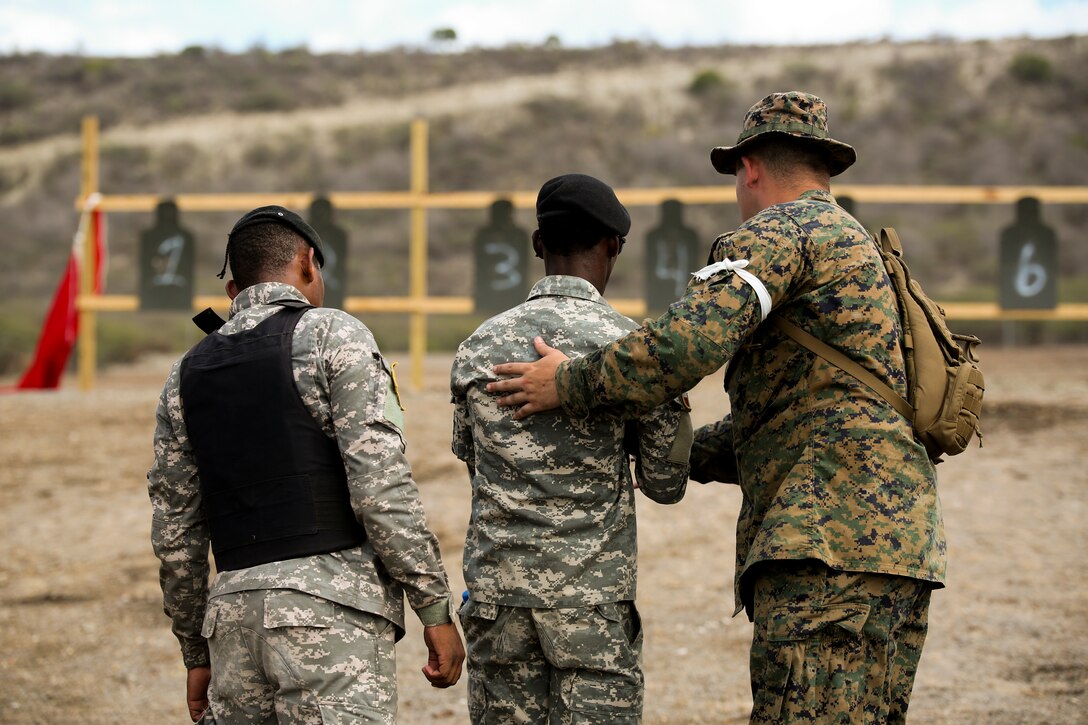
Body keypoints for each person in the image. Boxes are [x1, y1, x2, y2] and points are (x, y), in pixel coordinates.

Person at [487, 93, 946, 724]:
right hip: (895, 546)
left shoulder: (782, 232)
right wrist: (665, 447)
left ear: (750, 167)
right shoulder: (858, 247)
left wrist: (570, 384)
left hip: (825, 551)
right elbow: (791, 419)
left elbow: (684, 343)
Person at [148, 205, 464, 724]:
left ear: (234, 291)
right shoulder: (332, 335)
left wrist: (195, 651)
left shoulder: (185, 372)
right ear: (308, 263)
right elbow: (380, 489)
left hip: (231, 623)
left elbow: (176, 533)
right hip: (329, 620)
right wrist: (433, 606)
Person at [450, 174, 693, 723]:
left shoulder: (478, 347)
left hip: (498, 598)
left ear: (538, 245)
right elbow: (665, 485)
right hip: (590, 602)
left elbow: (472, 461)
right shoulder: (634, 352)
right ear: (615, 246)